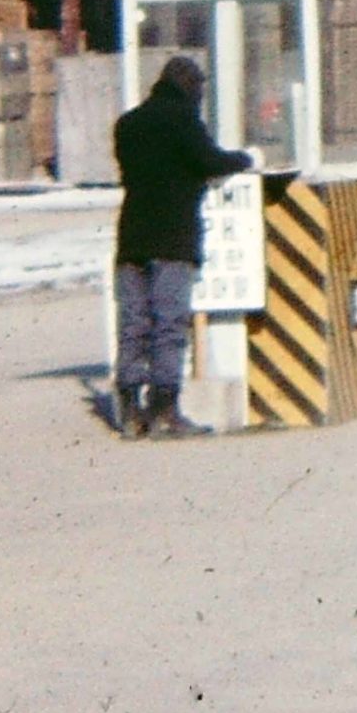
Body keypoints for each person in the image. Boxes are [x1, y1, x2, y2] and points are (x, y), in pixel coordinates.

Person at [110, 54, 253, 438]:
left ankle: (128, 410)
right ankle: (165, 410)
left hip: (132, 238)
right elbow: (209, 161)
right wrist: (244, 158)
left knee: (133, 324)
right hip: (172, 238)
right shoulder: (183, 121)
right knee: (169, 324)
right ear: (191, 86)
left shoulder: (128, 124)